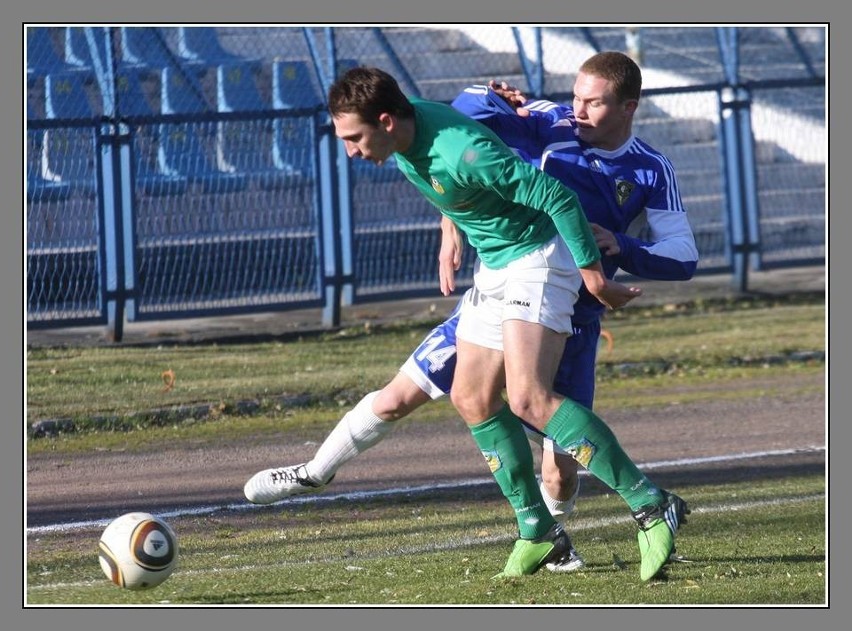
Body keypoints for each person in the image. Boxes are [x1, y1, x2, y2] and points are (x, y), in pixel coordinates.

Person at [247, 60, 689, 581]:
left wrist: (593, 275)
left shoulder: (466, 152)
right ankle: (538, 531)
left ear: (387, 121)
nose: (350, 150)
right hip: (498, 262)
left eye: (354, 137)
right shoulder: (412, 133)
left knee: (529, 398)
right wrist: (451, 227)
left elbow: (556, 196)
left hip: (538, 258)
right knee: (471, 397)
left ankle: (650, 503)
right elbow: (475, 98)